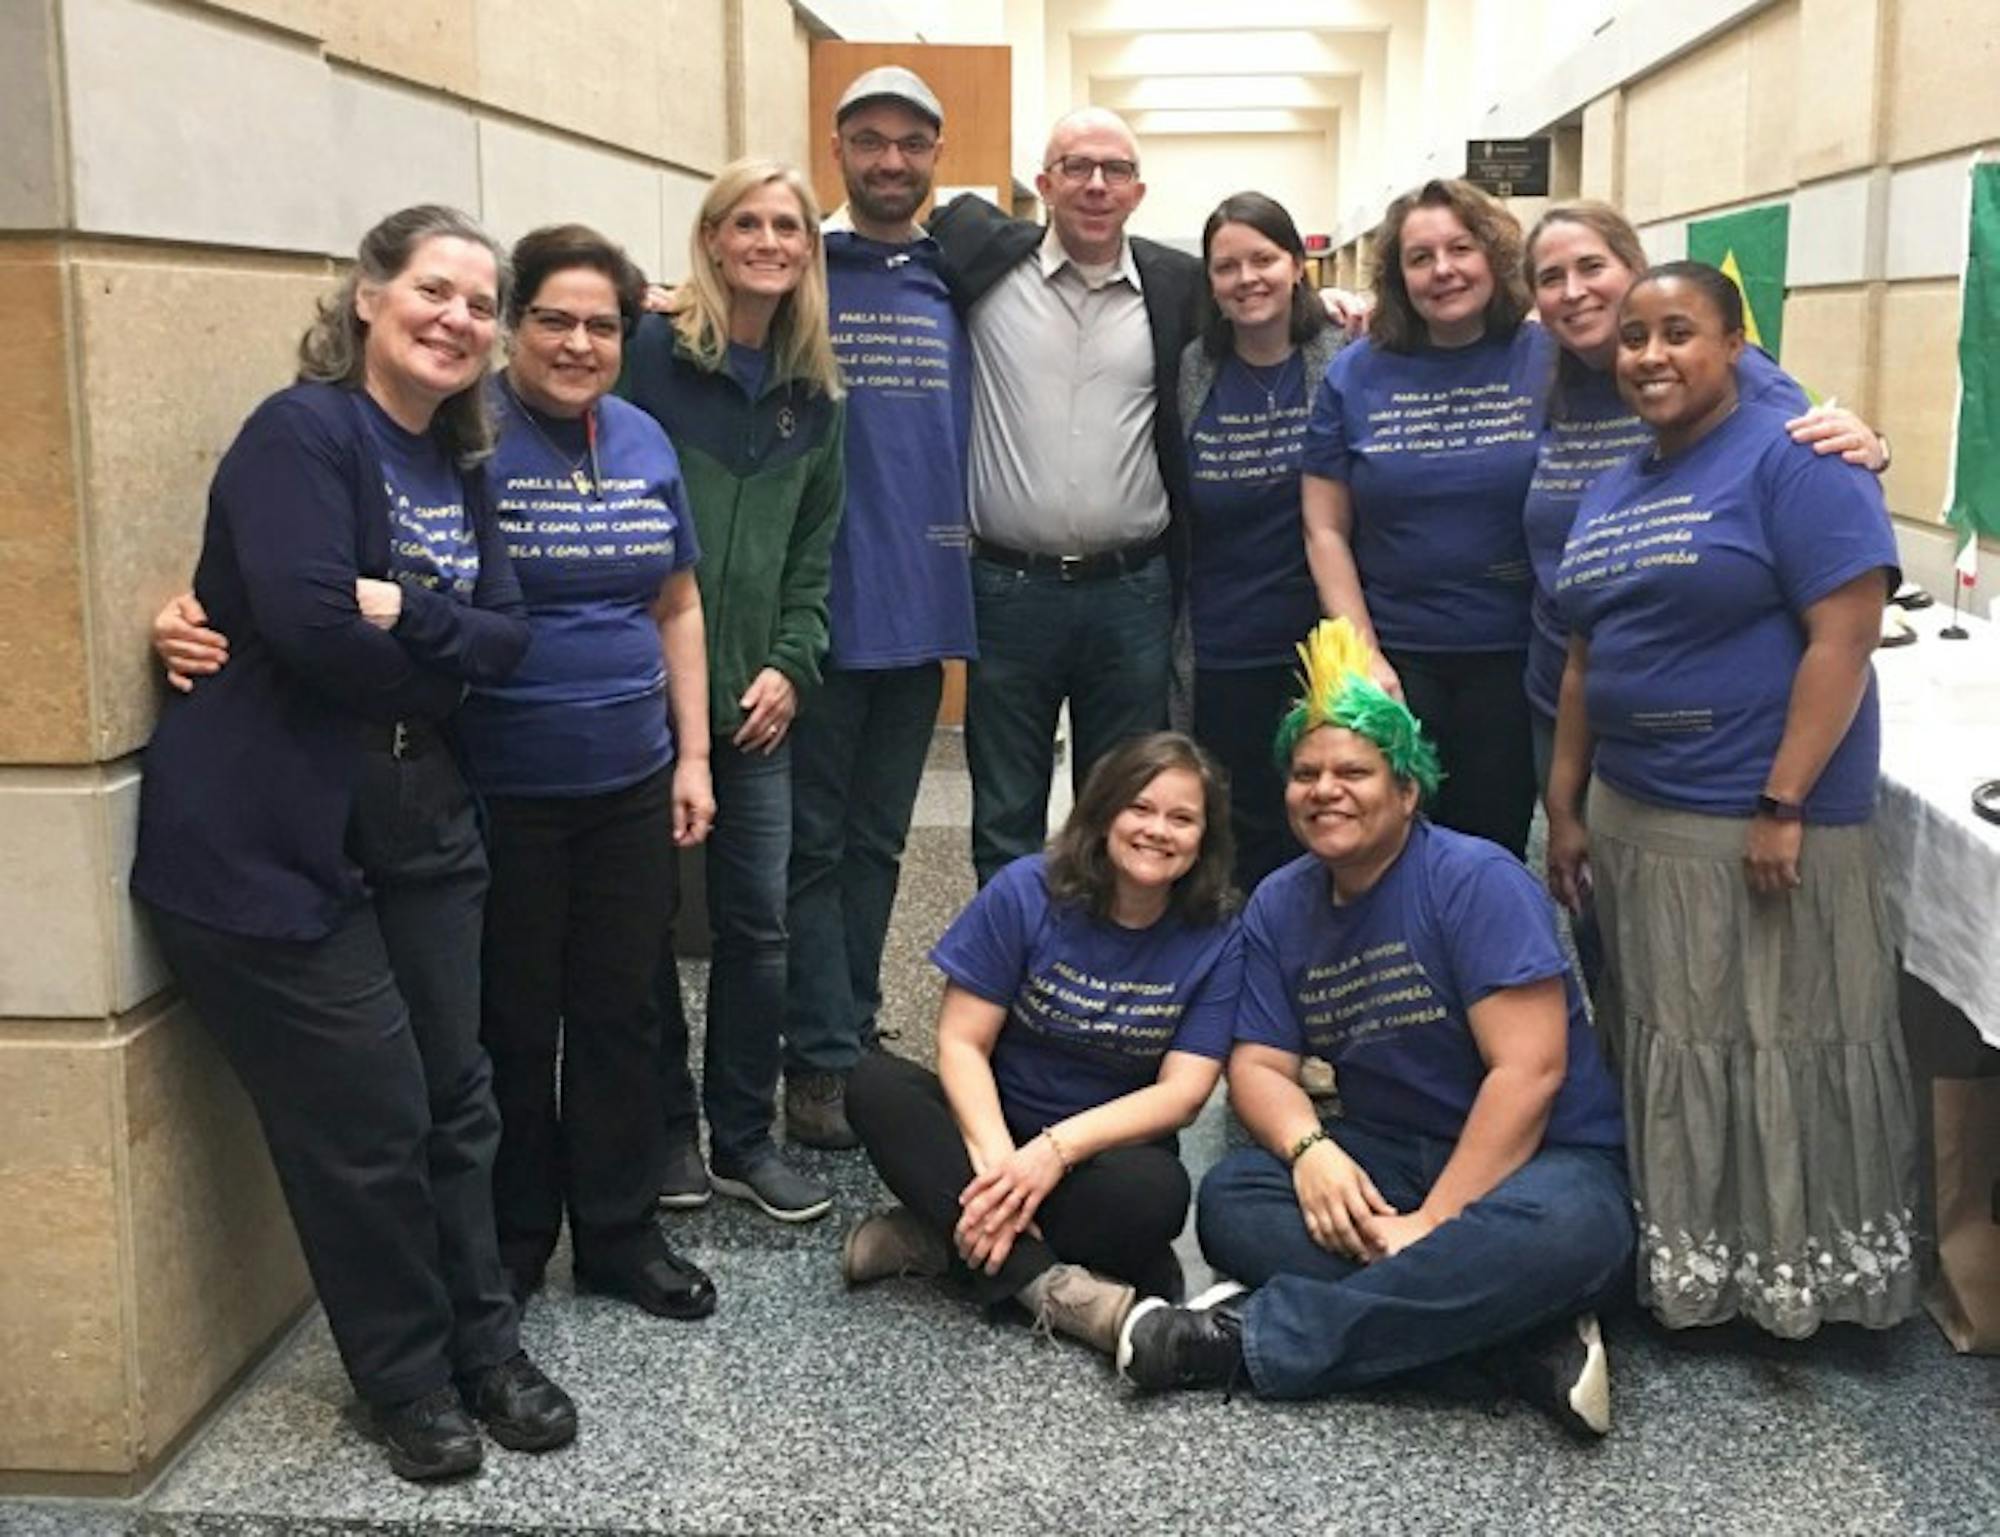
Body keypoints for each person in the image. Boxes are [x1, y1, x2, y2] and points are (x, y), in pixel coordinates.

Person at [132, 206, 574, 1481]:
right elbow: (318, 626)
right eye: (435, 290)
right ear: (370, 297)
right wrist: (439, 651)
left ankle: (487, 1349)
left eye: (481, 305)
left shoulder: (466, 463)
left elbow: (512, 637)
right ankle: (408, 1377)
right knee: (372, 1125)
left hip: (422, 826)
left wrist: (418, 617)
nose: (459, 320)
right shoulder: (303, 435)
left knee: (458, 1099)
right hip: (273, 843)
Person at [1118, 620, 1631, 1440]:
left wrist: (1433, 1224)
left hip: (1544, 1160)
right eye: (1305, 772)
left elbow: (1529, 1074)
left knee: (1578, 1232)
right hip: (1389, 1151)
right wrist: (1311, 1150)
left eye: (1354, 771)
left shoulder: (1475, 879)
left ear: (1408, 790)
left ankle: (1251, 1342)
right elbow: (1255, 1066)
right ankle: (1511, 1338)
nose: (1324, 788)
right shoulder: (1280, 904)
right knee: (1230, 1199)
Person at [1543, 263, 1917, 1337]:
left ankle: (1794, 1280)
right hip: (1633, 815)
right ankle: (1689, 1267)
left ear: (1731, 345)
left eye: (1676, 334)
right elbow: (1581, 656)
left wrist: (1782, 798)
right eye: (1631, 339)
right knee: (1671, 1036)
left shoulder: (1798, 457)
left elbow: (1841, 637)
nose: (1649, 356)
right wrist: (1564, 805)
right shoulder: (1616, 480)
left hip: (1752, 819)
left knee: (1775, 1039)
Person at [1521, 202, 1883, 987]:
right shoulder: (1547, 386)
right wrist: (1564, 806)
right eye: (1550, 278)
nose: (1573, 291)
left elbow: (1842, 615)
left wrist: (1872, 444)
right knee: (1626, 965)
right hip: (1592, 725)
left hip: (1729, 778)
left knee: (1745, 996)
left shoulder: (1764, 410)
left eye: (1592, 268)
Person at [461, 226, 716, 1319]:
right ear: (512, 326)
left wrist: (693, 753)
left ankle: (617, 1234)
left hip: (628, 778)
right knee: (514, 1019)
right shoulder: (462, 436)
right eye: (553, 321)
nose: (576, 343)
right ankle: (516, 1234)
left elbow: (677, 602)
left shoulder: (646, 439)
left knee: (621, 1014)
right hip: (499, 784)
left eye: (600, 325)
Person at [842, 732, 1241, 1357]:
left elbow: (1184, 1095)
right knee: (874, 1084)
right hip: (992, 1130)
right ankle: (1051, 1287)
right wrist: (1002, 1166)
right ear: (1105, 811)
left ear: (1204, 839)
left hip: (1103, 1152)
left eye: (1182, 818)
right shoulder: (1026, 889)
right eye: (1140, 808)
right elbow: (962, 1041)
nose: (1157, 830)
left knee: (1155, 1197)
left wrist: (1054, 1153)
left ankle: (941, 1239)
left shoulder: (1219, 934)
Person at [622, 159, 847, 1223]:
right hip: (642, 700)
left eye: (788, 226)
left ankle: (742, 1134)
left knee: (758, 925)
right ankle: (667, 1133)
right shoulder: (646, 359)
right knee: (650, 924)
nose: (768, 241)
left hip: (757, 708)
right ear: (709, 240)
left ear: (808, 248)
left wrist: (790, 664)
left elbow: (814, 552)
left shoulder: (813, 388)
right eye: (746, 223)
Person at [928, 107, 1203, 886]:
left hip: (1132, 592)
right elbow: (872, 256)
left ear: (1138, 192)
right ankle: (1010, 981)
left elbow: (1264, 317)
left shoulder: (1175, 285)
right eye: (1076, 167)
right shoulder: (981, 267)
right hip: (1009, 590)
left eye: (1114, 170)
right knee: (1004, 811)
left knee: (1125, 806)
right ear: (1043, 184)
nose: (1095, 184)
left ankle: (1107, 979)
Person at [781, 67, 976, 1149]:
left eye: (909, 142)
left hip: (919, 600)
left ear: (934, 153)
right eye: (868, 141)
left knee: (876, 841)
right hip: (816, 606)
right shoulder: (796, 265)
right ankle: (814, 1061)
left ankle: (847, 1024)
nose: (889, 160)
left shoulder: (959, 272)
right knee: (810, 844)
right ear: (839, 148)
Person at [1300, 178, 1551, 859]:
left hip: (1516, 654)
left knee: (1493, 849)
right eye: (1420, 257)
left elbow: (1706, 363)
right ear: (1397, 275)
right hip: (1400, 657)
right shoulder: (1356, 375)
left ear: (1494, 257)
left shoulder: (1549, 356)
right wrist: (1365, 653)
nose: (1443, 270)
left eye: (1460, 248)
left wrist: (1858, 435)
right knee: (1388, 849)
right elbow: (1324, 528)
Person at [1178, 191, 1348, 891]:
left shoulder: (1344, 359)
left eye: (1263, 259)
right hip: (1220, 644)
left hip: (1319, 643)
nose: (1247, 279)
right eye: (1227, 267)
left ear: (1298, 266)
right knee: (1236, 827)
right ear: (1210, 283)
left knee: (1326, 817)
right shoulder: (1193, 369)